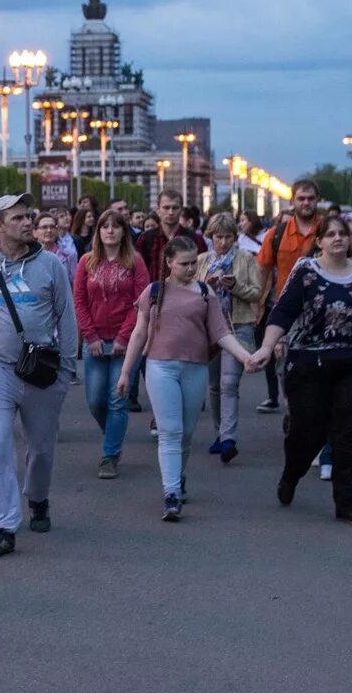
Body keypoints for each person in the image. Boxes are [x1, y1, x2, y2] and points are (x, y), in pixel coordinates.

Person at [0, 193, 79, 558]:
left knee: (41, 447)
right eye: (19, 218)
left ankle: (38, 498)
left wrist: (67, 370)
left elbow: (66, 319)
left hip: (42, 371)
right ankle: (4, 526)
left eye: (29, 216)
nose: (28, 223)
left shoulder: (52, 266)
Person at [248, 215, 352, 526]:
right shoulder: (307, 272)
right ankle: (291, 474)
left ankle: (347, 504)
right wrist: (267, 348)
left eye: (343, 234)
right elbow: (283, 313)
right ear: (320, 241)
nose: (338, 238)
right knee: (307, 433)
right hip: (312, 363)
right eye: (331, 234)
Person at [119, 237, 259, 521]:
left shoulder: (206, 293)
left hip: (195, 368)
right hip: (160, 367)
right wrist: (126, 371)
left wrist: (245, 357)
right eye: (184, 263)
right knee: (169, 431)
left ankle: (177, 477)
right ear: (169, 263)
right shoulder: (154, 291)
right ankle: (170, 494)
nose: (191, 267)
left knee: (186, 433)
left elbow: (221, 333)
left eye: (194, 262)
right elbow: (139, 332)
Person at [73, 209, 150, 479]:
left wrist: (123, 337)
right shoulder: (86, 262)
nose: (110, 230)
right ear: (98, 232)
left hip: (126, 342)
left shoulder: (135, 262)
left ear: (124, 232)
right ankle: (113, 435)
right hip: (95, 341)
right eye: (104, 226)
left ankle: (109, 455)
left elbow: (141, 303)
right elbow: (79, 301)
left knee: (117, 400)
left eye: (116, 226)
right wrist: (90, 336)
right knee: (95, 400)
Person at [131, 190, 207, 417]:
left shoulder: (195, 239)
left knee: (186, 354)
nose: (171, 212)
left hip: (187, 306)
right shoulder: (147, 238)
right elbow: (137, 271)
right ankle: (160, 414)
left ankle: (188, 398)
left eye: (175, 207)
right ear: (158, 209)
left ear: (181, 209)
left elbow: (202, 271)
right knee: (155, 358)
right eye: (166, 207)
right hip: (155, 303)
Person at [197, 213, 263, 463]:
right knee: (213, 385)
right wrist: (209, 285)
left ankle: (228, 438)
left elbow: (256, 293)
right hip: (209, 329)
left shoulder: (246, 259)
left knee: (228, 382)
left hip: (238, 327)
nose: (222, 242)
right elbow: (192, 294)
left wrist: (235, 286)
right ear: (210, 237)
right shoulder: (202, 260)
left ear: (236, 238)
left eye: (227, 237)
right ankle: (219, 432)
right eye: (217, 237)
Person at [254, 179, 323, 413]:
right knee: (286, 366)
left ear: (317, 200)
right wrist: (258, 304)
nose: (306, 203)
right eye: (301, 198)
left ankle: (314, 414)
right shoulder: (276, 234)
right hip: (286, 310)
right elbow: (262, 270)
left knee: (319, 366)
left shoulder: (327, 231)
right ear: (292, 201)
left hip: (321, 310)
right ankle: (293, 413)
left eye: (310, 198)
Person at [35, 209, 80, 284]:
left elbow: (75, 284)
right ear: (34, 232)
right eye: (44, 227)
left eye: (52, 227)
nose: (49, 230)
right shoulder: (28, 256)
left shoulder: (70, 255)